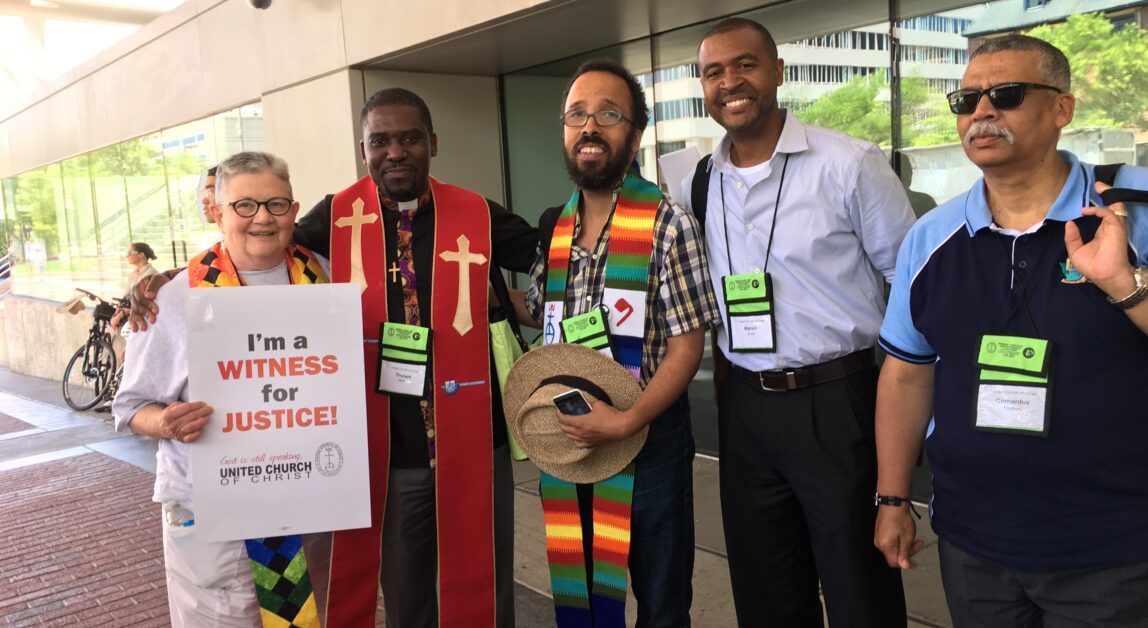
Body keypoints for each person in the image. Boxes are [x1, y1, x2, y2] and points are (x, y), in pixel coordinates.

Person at [874, 35, 1148, 627]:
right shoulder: (931, 237)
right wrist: (893, 498)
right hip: (973, 545)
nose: (982, 111)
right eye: (966, 100)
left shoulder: (1141, 209)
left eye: (1006, 94)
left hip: (1117, 551)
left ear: (1061, 108)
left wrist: (1124, 282)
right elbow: (906, 375)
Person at [677, 17, 913, 627]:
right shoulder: (699, 181)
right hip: (744, 406)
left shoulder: (850, 163)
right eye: (713, 72)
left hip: (837, 401)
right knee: (766, 590)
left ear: (777, 72)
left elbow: (914, 286)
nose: (730, 82)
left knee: (859, 589)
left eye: (745, 65)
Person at [289, 87, 538, 628]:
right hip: (390, 445)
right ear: (363, 149)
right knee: (405, 594)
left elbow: (553, 256)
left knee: (486, 582)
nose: (395, 152)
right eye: (380, 141)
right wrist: (171, 281)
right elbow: (261, 257)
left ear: (433, 143)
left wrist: (507, 300)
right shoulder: (336, 215)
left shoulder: (474, 212)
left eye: (410, 139)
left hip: (474, 432)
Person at [525, 59, 720, 627]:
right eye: (577, 115)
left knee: (661, 603)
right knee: (581, 594)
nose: (589, 127)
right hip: (569, 436)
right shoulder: (556, 227)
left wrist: (626, 421)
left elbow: (687, 346)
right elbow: (539, 312)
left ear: (635, 137)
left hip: (649, 438)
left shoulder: (667, 223)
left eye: (608, 115)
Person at [113, 152, 330, 627]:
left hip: (305, 499)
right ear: (217, 212)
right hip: (212, 510)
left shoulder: (326, 276)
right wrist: (164, 422)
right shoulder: (174, 297)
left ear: (294, 210)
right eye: (244, 205)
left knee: (308, 615)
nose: (262, 218)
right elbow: (129, 407)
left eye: (276, 204)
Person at [110, 242, 159, 333]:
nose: (127, 256)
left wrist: (120, 315)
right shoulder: (133, 273)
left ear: (141, 255)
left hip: (143, 319)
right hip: (130, 312)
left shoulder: (150, 274)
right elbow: (126, 295)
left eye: (129, 253)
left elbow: (140, 302)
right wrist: (117, 312)